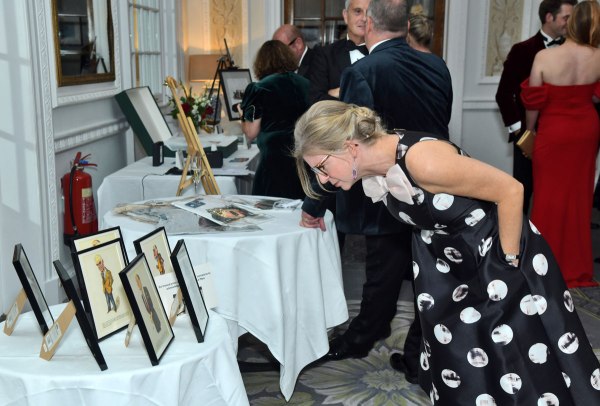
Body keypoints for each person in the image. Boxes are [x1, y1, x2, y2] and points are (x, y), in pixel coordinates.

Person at [293, 100, 600, 405]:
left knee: (518, 357)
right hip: (447, 264)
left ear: (350, 147)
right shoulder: (379, 165)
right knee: (464, 360)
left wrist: (507, 265)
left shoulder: (423, 160)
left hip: (495, 254)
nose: (322, 179)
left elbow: (511, 190)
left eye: (321, 167)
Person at [300, 0, 452, 384]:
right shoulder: (438, 66)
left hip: (389, 188)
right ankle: (418, 354)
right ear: (406, 25)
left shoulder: (362, 71)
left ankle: (363, 337)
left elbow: (347, 146)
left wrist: (314, 203)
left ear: (367, 23)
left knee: (383, 270)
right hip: (437, 185)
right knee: (428, 275)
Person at [521, 0, 600, 288]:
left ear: (571, 23)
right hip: (586, 130)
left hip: (554, 131)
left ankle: (542, 264)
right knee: (579, 198)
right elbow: (596, 96)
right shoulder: (598, 56)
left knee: (547, 196)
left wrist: (530, 131)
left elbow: (533, 103)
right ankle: (576, 267)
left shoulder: (545, 57)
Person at [495, 0, 577, 214]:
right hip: (529, 136)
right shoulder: (522, 50)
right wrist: (521, 134)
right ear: (549, 17)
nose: (570, 23)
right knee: (524, 189)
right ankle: (519, 233)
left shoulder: (573, 51)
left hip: (562, 135)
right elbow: (504, 94)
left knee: (556, 191)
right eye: (566, 18)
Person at [237, 40, 309, 199]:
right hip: (304, 159)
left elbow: (251, 132)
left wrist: (241, 114)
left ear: (261, 63)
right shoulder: (306, 84)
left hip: (274, 162)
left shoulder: (259, 88)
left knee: (268, 207)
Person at [308, 0, 370, 104]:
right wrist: (346, 91)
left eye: (369, 12)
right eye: (358, 11)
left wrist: (337, 93)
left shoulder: (384, 53)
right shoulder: (325, 54)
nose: (364, 18)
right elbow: (315, 100)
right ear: (345, 16)